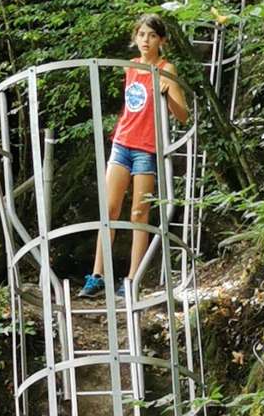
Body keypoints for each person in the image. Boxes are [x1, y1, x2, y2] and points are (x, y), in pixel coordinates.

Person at [81, 15, 189, 299]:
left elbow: (183, 115)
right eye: (141, 34)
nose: (145, 40)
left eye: (152, 35)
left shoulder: (166, 69)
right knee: (109, 209)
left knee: (139, 213)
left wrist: (168, 95)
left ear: (161, 40)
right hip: (122, 143)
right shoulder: (131, 66)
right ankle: (97, 276)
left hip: (146, 149)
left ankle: (132, 279)